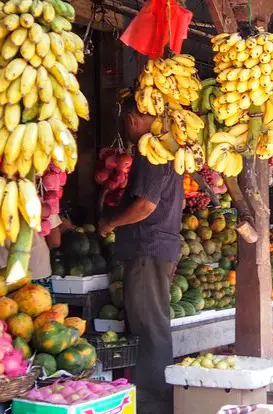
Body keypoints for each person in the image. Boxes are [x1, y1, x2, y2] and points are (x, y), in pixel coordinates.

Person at [99, 98, 183, 413]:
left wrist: (111, 222)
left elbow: (145, 206)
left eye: (125, 122)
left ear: (133, 119)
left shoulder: (151, 155)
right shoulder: (167, 153)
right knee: (152, 323)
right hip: (158, 245)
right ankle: (155, 397)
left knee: (149, 326)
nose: (125, 127)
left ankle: (154, 402)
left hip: (147, 248)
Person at [0, 214, 62, 291]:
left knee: (0, 303)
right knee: (42, 301)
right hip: (37, 271)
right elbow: (55, 241)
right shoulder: (42, 203)